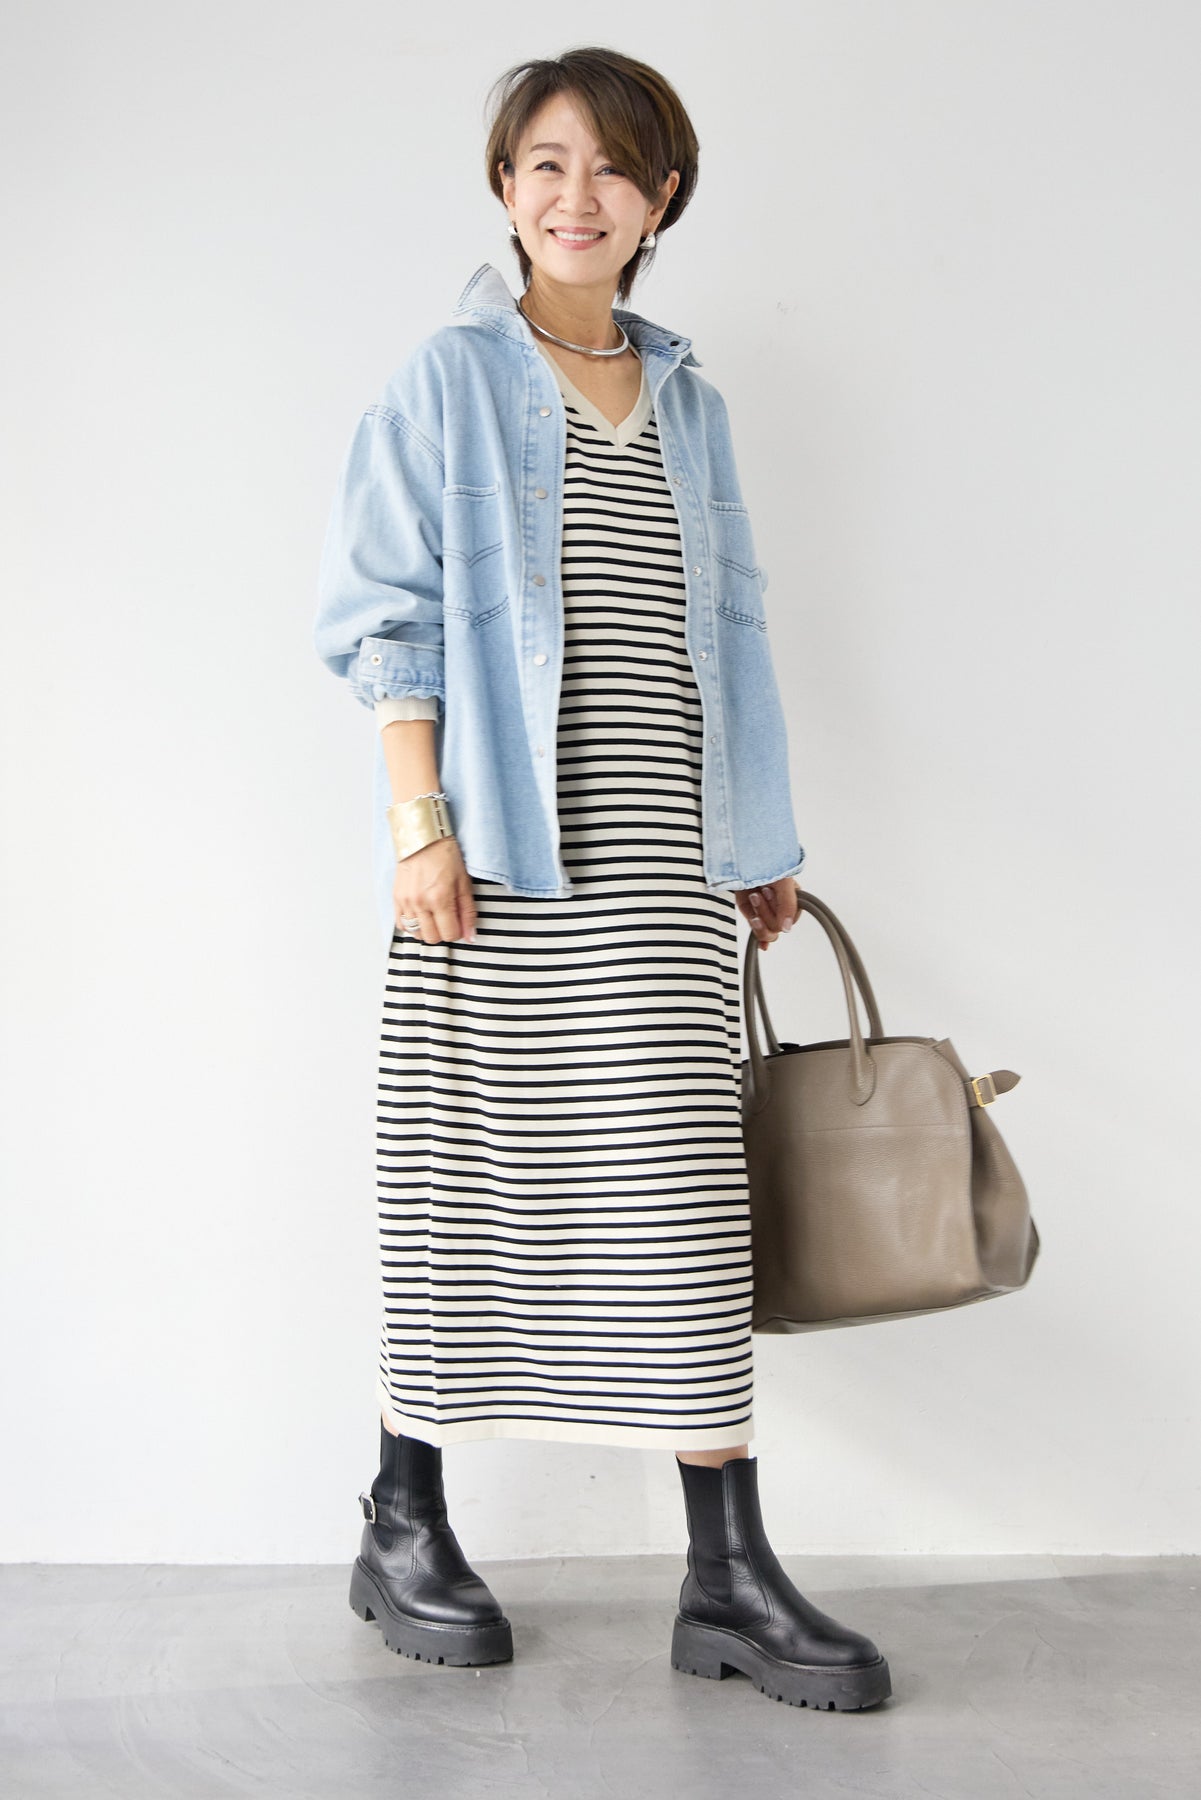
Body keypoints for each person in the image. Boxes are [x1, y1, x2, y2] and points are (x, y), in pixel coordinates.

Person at [314, 46, 891, 1712]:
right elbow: (385, 614)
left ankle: (727, 1574)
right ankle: (403, 1517)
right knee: (466, 1181)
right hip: (499, 857)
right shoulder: (447, 380)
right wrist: (420, 828)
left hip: (663, 860)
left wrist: (757, 841)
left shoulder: (692, 401)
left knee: (687, 1208)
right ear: (505, 190)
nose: (578, 197)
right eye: (546, 165)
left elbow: (734, 630)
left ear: (661, 200)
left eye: (614, 169)